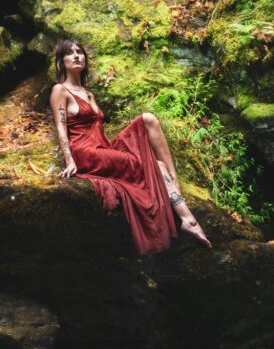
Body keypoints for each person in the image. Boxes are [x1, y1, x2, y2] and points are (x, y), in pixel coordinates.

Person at [49, 39, 211, 253]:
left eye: (80, 52)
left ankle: (176, 186)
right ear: (61, 62)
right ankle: (189, 221)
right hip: (85, 152)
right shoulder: (60, 90)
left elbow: (98, 131)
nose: (77, 55)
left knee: (148, 119)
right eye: (69, 53)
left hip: (102, 147)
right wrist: (69, 160)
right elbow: (61, 127)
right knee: (145, 164)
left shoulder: (89, 95)